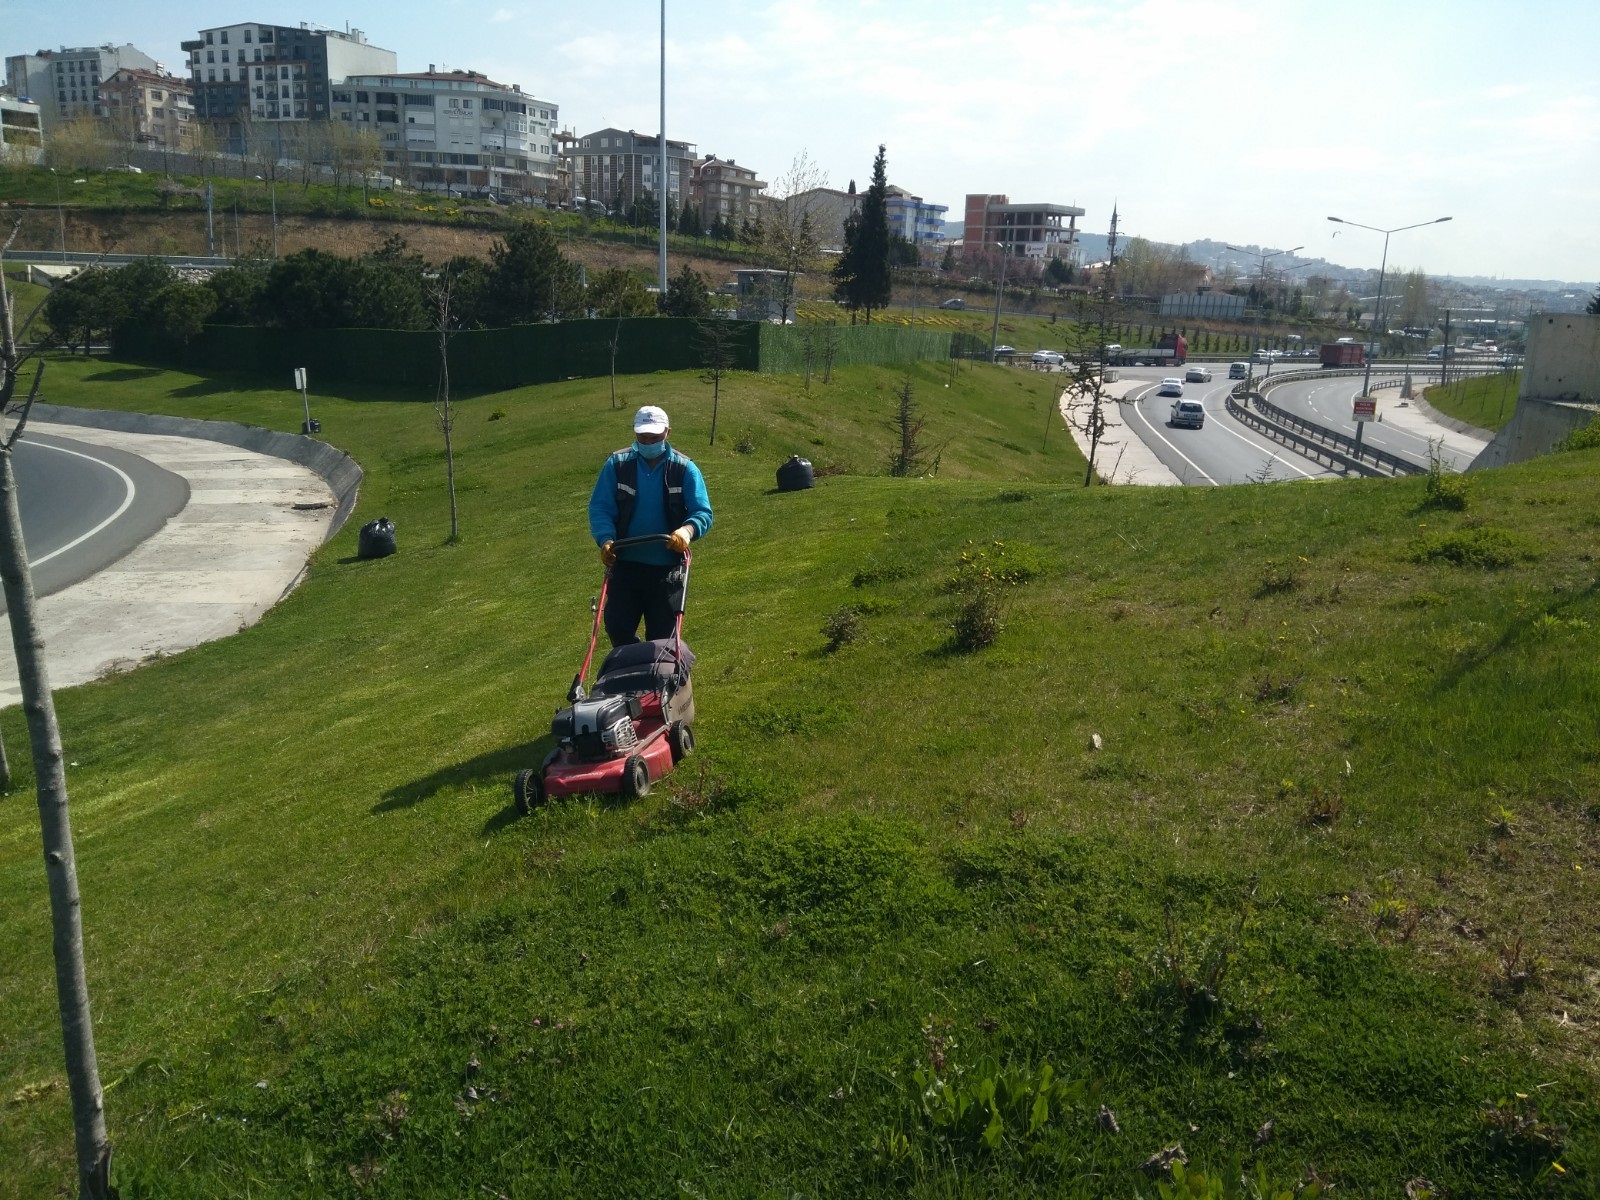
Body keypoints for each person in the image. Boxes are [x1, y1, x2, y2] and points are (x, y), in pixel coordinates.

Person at [588, 405, 713, 647]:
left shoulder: (684, 468)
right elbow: (600, 508)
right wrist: (605, 539)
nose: (647, 442)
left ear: (668, 433)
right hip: (625, 566)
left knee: (661, 639)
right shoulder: (617, 465)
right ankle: (632, 675)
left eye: (654, 437)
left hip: (666, 570)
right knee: (618, 628)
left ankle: (659, 681)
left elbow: (702, 512)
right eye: (642, 437)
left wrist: (686, 531)